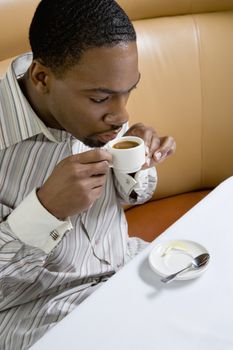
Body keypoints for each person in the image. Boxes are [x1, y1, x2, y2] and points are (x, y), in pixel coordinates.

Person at [0, 0, 175, 349]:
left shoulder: (97, 95)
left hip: (128, 269)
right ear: (41, 78)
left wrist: (135, 158)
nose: (120, 114)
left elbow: (129, 195)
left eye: (129, 93)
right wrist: (46, 211)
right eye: (101, 99)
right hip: (35, 312)